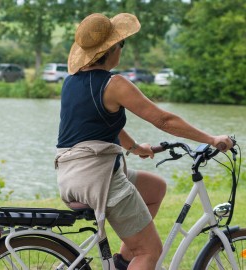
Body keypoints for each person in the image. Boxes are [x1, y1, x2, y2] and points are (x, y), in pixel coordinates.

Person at [54, 13, 233, 270]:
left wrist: (136, 148)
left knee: (155, 188)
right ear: (112, 49)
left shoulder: (70, 82)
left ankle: (123, 262)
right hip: (98, 178)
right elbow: (163, 120)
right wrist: (212, 139)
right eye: (121, 45)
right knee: (150, 251)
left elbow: (101, 124)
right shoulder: (114, 84)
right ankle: (138, 257)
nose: (121, 50)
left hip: (72, 176)